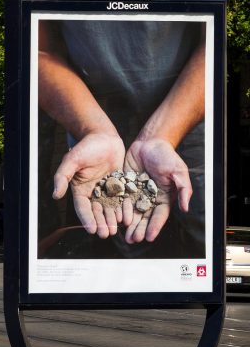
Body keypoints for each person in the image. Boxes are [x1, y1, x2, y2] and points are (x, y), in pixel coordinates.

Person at [38, 18, 205, 257]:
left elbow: (216, 44)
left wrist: (162, 136)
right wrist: (94, 129)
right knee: (110, 246)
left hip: (186, 105)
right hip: (91, 106)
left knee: (202, 237)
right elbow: (41, 50)